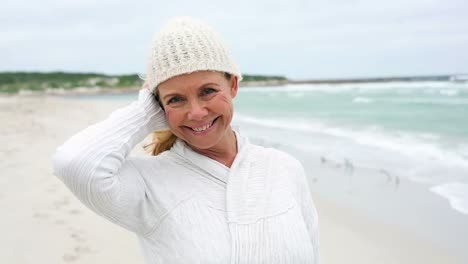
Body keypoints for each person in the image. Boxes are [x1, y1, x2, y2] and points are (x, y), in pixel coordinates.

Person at [52, 16, 319, 263]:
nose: (196, 112)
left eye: (208, 91)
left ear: (234, 85)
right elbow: (74, 162)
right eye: (175, 99)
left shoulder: (285, 168)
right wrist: (144, 113)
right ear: (158, 106)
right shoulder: (148, 185)